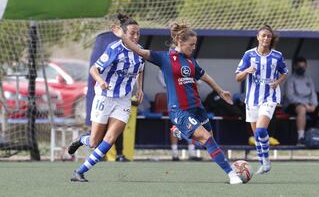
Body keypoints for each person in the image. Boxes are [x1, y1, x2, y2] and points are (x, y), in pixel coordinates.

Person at [113, 20, 242, 184]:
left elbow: (206, 77)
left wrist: (221, 91)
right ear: (180, 42)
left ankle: (181, 133)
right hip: (179, 111)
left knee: (208, 141)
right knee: (206, 138)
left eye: (195, 45)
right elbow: (138, 49)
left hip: (197, 108)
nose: (194, 48)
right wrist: (123, 36)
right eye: (191, 44)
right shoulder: (164, 58)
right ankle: (231, 174)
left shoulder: (191, 61)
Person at [68, 13, 144, 182]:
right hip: (105, 97)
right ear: (123, 33)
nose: (136, 36)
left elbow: (140, 69)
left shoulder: (139, 52)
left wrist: (140, 88)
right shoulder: (114, 48)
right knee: (95, 141)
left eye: (138, 33)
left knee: (110, 139)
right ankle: (82, 139)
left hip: (123, 100)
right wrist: (101, 81)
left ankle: (79, 172)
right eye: (132, 33)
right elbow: (93, 69)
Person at [235, 25, 288, 175]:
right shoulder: (249, 55)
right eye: (263, 35)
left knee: (260, 130)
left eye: (268, 36)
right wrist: (246, 71)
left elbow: (284, 72)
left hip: (269, 97)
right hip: (252, 99)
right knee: (257, 136)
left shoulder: (277, 56)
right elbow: (237, 77)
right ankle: (264, 161)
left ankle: (265, 162)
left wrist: (277, 82)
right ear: (258, 37)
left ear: (271, 39)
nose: (266, 38)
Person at [284, 56, 319, 145]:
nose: (302, 69)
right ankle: (301, 138)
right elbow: (290, 97)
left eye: (303, 67)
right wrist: (305, 104)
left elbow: (313, 94)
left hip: (309, 105)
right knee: (302, 109)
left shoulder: (308, 79)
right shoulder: (290, 80)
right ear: (295, 67)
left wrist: (314, 105)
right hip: (293, 105)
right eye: (299, 67)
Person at [157, 70, 202, 161]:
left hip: (190, 99)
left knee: (192, 124)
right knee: (176, 125)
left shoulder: (191, 62)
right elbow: (160, 75)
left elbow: (199, 80)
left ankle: (191, 152)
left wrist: (192, 91)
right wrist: (169, 87)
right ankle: (175, 153)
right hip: (176, 99)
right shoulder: (169, 61)